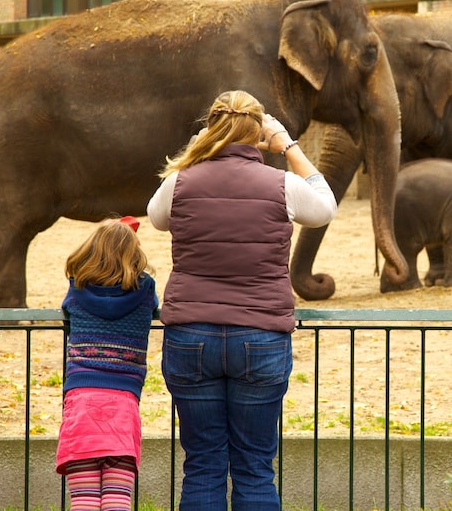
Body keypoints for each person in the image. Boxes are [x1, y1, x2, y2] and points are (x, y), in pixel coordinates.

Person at [147, 90, 337, 510]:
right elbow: (325, 208)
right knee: (254, 466)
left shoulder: (180, 182)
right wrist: (287, 145)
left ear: (210, 128)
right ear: (260, 133)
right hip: (261, 338)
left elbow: (156, 217)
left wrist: (199, 147)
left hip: (191, 337)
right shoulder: (281, 184)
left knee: (203, 463)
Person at [55, 216, 160, 511]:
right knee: (118, 498)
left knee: (84, 499)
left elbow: (67, 306)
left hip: (81, 400)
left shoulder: (77, 289)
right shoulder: (145, 290)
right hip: (124, 403)